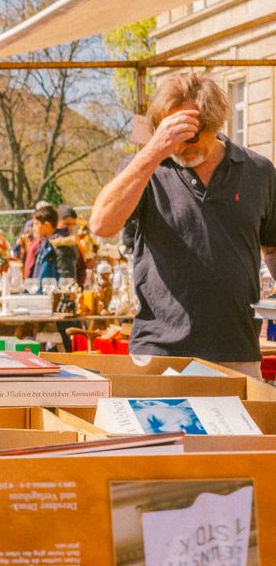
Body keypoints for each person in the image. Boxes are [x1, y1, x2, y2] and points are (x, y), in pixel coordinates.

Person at [89, 72, 276, 371]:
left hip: (236, 349)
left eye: (189, 134)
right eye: (170, 132)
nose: (180, 146)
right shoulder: (145, 169)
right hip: (159, 351)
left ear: (215, 124)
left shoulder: (258, 170)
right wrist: (153, 150)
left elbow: (273, 246)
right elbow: (101, 225)